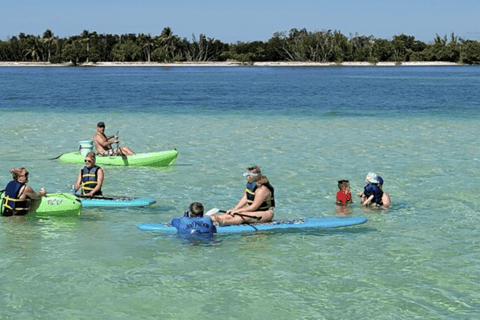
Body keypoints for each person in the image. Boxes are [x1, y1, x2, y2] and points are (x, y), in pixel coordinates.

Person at [210, 166, 275, 225]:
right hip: (252, 212)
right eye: (247, 175)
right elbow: (245, 198)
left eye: (250, 175)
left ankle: (224, 222)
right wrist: (234, 209)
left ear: (257, 177)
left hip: (265, 213)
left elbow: (253, 207)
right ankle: (208, 219)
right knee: (228, 215)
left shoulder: (262, 189)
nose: (247, 177)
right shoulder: (251, 186)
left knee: (241, 216)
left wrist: (237, 211)